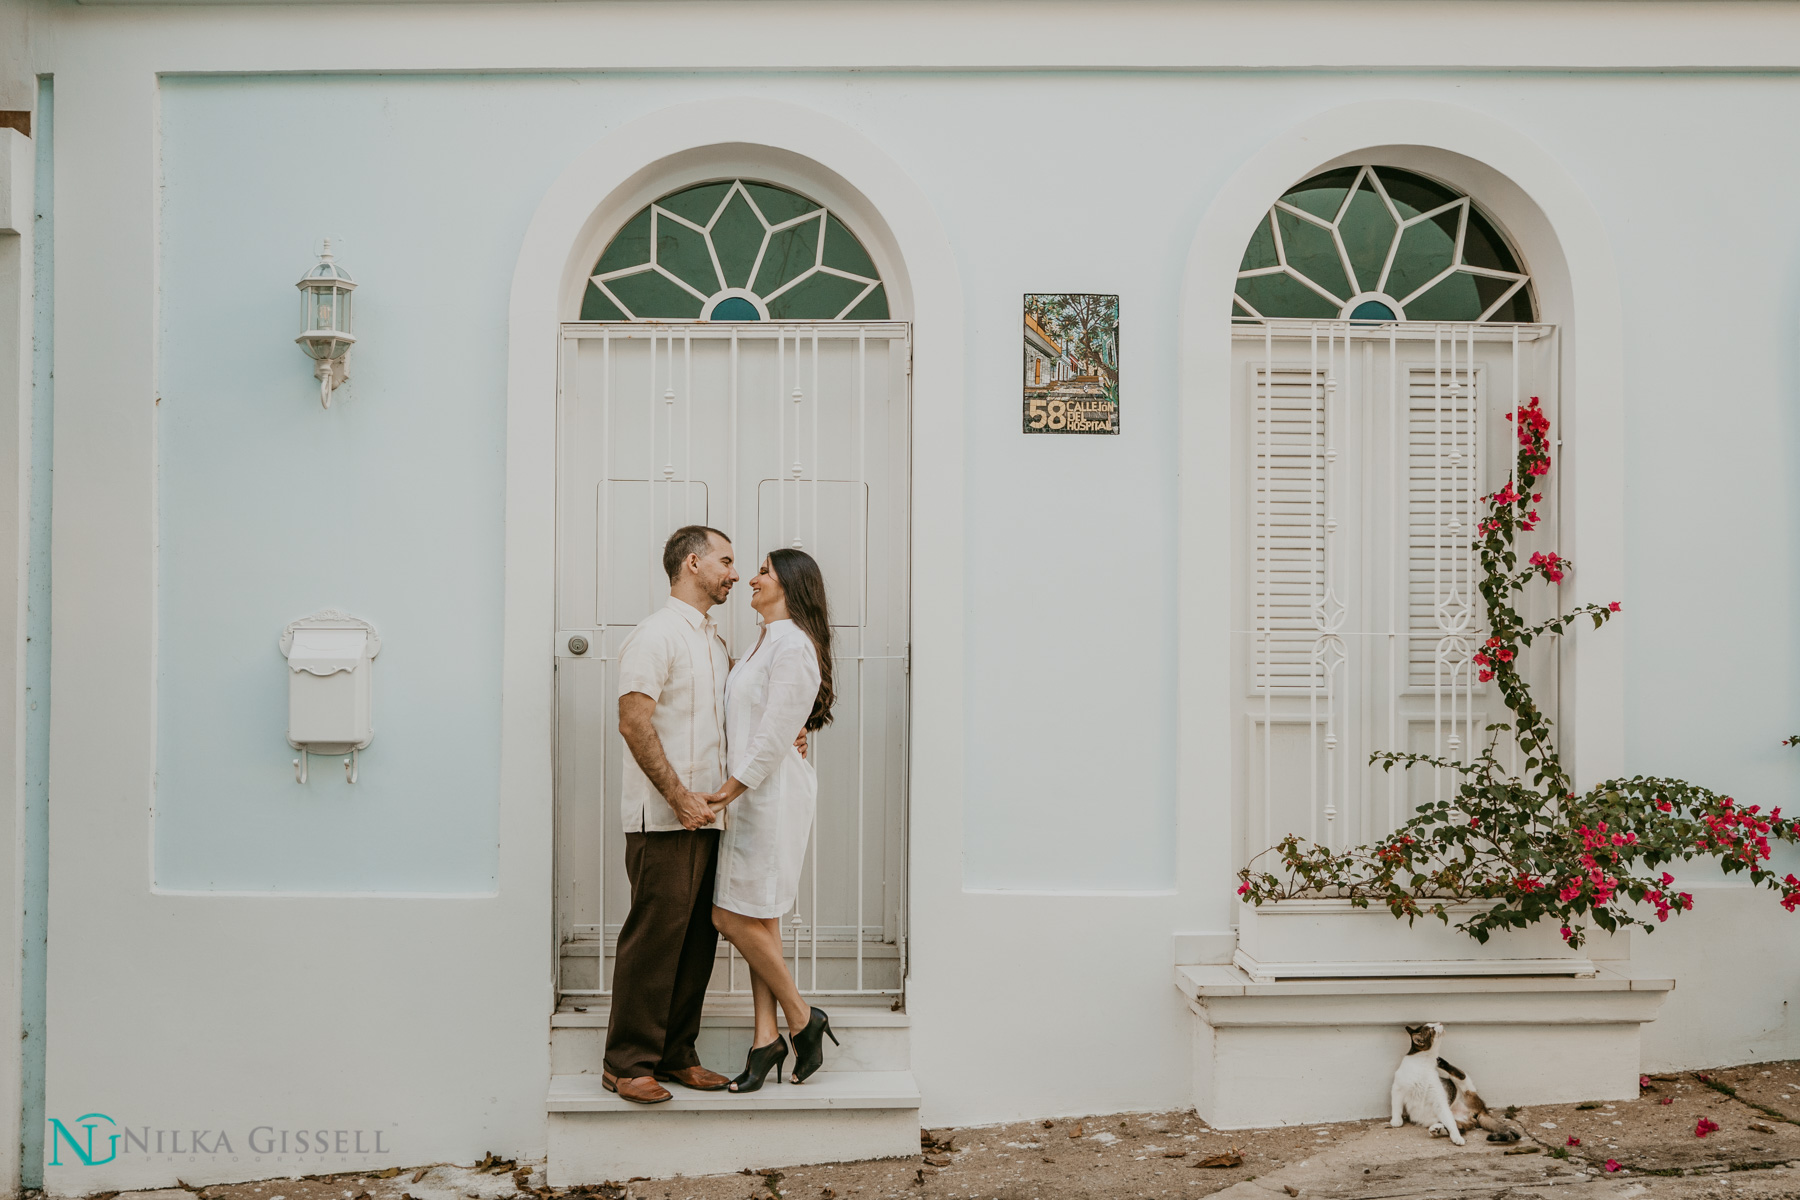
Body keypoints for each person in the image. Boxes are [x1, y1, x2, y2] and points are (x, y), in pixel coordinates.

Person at [602, 525, 739, 1105]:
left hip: (707, 818)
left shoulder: (713, 640)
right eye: (726, 561)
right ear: (693, 563)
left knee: (696, 941)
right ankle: (626, 1062)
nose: (735, 573)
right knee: (655, 939)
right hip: (664, 820)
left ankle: (678, 1054)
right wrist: (679, 796)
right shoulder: (655, 635)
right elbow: (634, 721)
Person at [708, 548, 840, 1092]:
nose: (751, 580)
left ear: (790, 584)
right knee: (759, 919)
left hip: (768, 796)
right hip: (752, 795)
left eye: (762, 571)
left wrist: (728, 791)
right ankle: (766, 1039)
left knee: (729, 918)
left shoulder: (793, 645)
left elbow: (773, 734)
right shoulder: (764, 641)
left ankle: (804, 1018)